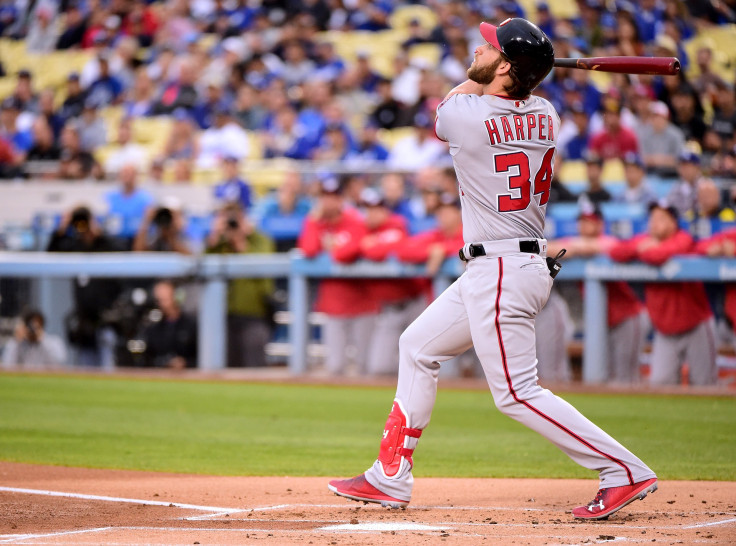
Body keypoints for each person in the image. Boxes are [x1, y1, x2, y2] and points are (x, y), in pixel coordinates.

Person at [329, 18, 657, 521]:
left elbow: (463, 91)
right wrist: (519, 71)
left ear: (506, 66)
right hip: (506, 265)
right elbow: (498, 92)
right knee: (416, 346)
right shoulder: (546, 114)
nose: (478, 51)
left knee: (516, 395)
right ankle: (388, 476)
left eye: (490, 47)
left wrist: (503, 72)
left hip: (503, 268)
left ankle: (623, 469)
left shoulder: (466, 115)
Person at [610, 202, 716, 386]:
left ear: (673, 223)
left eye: (661, 219)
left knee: (704, 385)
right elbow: (616, 252)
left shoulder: (683, 238)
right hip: (665, 331)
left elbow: (659, 255)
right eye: (653, 218)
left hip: (695, 326)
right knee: (660, 384)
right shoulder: (644, 240)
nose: (655, 223)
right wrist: (639, 248)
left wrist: (645, 249)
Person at [548, 205, 647, 383]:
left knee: (625, 378)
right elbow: (551, 249)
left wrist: (572, 248)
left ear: (600, 224)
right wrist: (571, 247)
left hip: (627, 317)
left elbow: (596, 247)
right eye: (582, 222)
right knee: (604, 377)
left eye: (589, 222)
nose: (585, 226)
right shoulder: (576, 242)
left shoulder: (610, 241)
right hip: (603, 322)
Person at [297, 176, 377, 375]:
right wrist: (313, 222)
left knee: (365, 367)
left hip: (362, 300)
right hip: (333, 302)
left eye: (333, 197)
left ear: (341, 199)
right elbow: (308, 250)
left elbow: (349, 252)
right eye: (324, 197)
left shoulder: (354, 220)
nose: (328, 202)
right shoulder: (316, 221)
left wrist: (333, 248)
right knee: (335, 367)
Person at [359, 188, 428, 376]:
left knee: (425, 359)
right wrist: (368, 244)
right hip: (389, 309)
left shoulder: (397, 223)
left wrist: (372, 244)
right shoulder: (360, 228)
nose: (373, 212)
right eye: (368, 208)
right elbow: (343, 253)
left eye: (378, 208)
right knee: (380, 367)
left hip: (414, 302)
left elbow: (386, 250)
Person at [206, 203, 275, 368]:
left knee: (254, 365)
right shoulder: (219, 242)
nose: (232, 223)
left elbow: (265, 268)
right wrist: (215, 238)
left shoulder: (260, 240)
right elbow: (200, 268)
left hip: (255, 315)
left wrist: (242, 242)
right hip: (222, 316)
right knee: (222, 366)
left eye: (235, 218)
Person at [140, 280, 197, 369]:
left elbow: (202, 358)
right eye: (158, 300)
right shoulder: (152, 328)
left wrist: (185, 363)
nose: (162, 304)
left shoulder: (192, 325)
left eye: (165, 299)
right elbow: (147, 359)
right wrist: (162, 363)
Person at [1, 309, 67, 367]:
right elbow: (7, 364)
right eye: (30, 326)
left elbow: (59, 362)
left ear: (42, 325)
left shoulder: (54, 342)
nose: (33, 329)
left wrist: (42, 339)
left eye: (37, 326)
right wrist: (16, 341)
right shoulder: (19, 344)